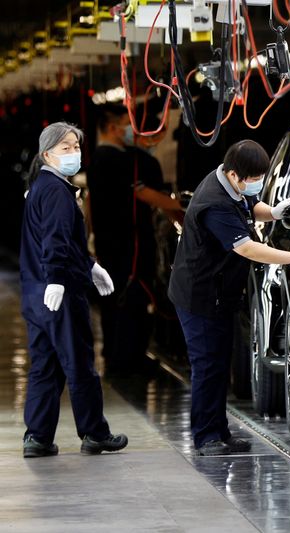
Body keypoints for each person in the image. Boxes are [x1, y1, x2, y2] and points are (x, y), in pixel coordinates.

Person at [168, 140, 290, 456]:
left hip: (218, 295)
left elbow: (249, 204)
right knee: (207, 367)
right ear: (233, 174)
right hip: (200, 297)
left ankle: (219, 431)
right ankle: (206, 437)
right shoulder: (214, 204)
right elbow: (247, 248)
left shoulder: (225, 183)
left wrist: (274, 213)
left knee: (218, 364)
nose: (255, 184)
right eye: (251, 179)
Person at [19, 122, 128, 458]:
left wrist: (91, 266)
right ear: (47, 154)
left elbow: (65, 242)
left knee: (45, 365)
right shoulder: (55, 190)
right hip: (60, 292)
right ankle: (95, 433)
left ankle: (37, 437)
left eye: (77, 146)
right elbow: (54, 241)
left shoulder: (44, 186)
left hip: (37, 294)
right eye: (65, 147)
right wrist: (56, 278)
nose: (74, 153)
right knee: (79, 362)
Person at [87, 105, 183, 374]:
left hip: (110, 243)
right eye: (123, 123)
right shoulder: (115, 161)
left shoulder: (98, 159)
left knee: (114, 299)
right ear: (112, 127)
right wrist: (184, 209)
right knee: (131, 300)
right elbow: (144, 194)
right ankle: (127, 360)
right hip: (128, 245)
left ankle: (117, 355)